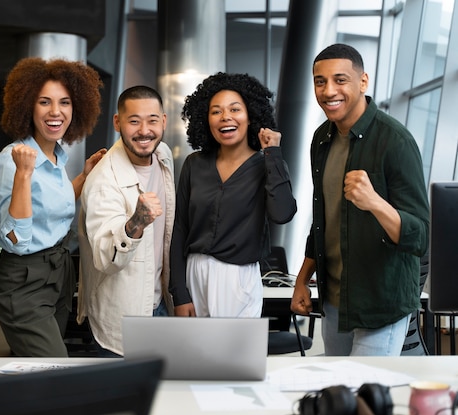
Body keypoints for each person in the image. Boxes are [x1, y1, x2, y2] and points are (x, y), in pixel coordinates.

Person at [290, 43, 430, 356]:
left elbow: (420, 236)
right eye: (320, 81)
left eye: (340, 80)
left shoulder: (396, 142)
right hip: (336, 300)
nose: (328, 91)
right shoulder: (321, 138)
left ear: (363, 82)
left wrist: (375, 203)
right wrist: (302, 279)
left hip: (380, 302)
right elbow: (323, 220)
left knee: (365, 396)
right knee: (339, 396)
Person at [0, 57, 105, 357]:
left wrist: (83, 177)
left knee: (37, 371)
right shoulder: (12, 160)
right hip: (25, 280)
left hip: (59, 274)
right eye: (44, 102)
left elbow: (55, 204)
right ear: (28, 105)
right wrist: (23, 175)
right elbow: (15, 238)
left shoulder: (56, 158)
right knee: (52, 365)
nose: (56, 112)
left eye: (65, 102)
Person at [169, 72, 297, 318]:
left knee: (235, 357)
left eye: (235, 109)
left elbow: (282, 214)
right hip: (193, 274)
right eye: (216, 111)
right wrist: (179, 292)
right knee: (193, 356)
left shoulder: (267, 164)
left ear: (251, 116)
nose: (225, 117)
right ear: (205, 120)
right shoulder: (194, 164)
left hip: (238, 277)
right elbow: (179, 229)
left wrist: (273, 154)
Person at [77, 85, 175, 357]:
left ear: (163, 121)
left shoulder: (163, 155)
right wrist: (137, 223)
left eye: (152, 120)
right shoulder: (102, 181)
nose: (144, 131)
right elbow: (105, 259)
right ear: (118, 122)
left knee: (163, 395)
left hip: (160, 304)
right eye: (134, 121)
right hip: (122, 318)